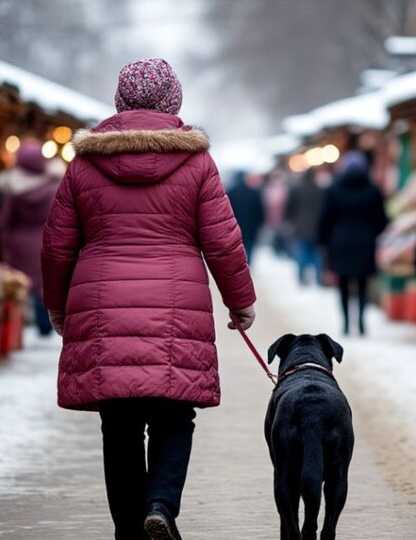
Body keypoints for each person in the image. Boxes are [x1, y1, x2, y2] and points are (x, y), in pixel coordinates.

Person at [40, 58, 256, 540]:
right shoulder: (197, 163)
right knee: (174, 413)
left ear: (120, 101)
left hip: (101, 303)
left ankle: (128, 532)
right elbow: (223, 240)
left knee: (118, 425)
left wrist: (57, 305)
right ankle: (160, 504)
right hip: (178, 302)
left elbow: (57, 245)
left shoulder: (83, 165)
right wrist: (240, 302)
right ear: (173, 101)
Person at [318, 151, 388, 336]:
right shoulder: (373, 190)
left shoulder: (334, 189)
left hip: (340, 241)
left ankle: (347, 323)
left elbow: (326, 218)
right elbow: (382, 219)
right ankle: (362, 321)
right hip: (365, 241)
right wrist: (372, 233)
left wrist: (324, 241)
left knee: (343, 284)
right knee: (363, 283)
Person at [0, 141, 59, 338]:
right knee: (43, 284)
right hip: (46, 238)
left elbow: (3, 221)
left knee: (20, 284)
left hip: (19, 243)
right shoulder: (53, 187)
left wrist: (3, 237)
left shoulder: (14, 189)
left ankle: (17, 325)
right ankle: (44, 324)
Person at [284, 168, 326, 286]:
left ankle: (302, 277)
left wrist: (290, 222)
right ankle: (318, 277)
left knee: (302, 253)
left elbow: (289, 208)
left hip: (300, 226)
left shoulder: (296, 189)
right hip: (317, 227)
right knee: (316, 254)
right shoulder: (319, 190)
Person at [226, 171, 265, 262]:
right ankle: (247, 264)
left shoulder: (231, 193)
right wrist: (260, 223)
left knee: (236, 247)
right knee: (249, 246)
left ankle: (238, 263)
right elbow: (260, 210)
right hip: (251, 226)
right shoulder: (254, 192)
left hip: (235, 225)